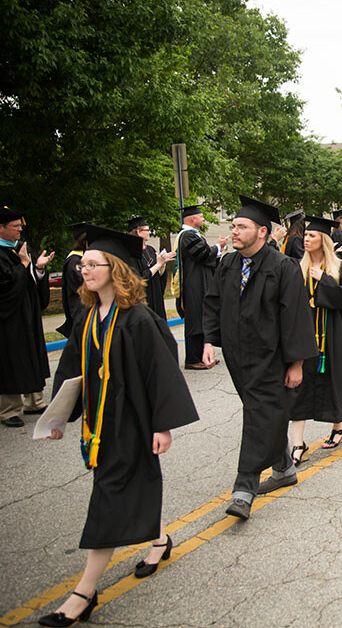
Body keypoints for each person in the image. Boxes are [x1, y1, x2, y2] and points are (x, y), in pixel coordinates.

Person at [39, 225, 198, 627]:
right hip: (99, 425)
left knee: (108, 501)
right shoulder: (90, 317)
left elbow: (162, 371)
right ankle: (159, 540)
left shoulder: (139, 319)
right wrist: (59, 417)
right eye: (84, 265)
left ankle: (83, 593)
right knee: (131, 485)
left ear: (115, 269)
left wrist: (163, 425)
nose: (84, 271)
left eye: (94, 264)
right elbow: (72, 372)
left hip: (133, 423)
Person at [202, 196, 315, 521]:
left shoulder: (282, 268)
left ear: (262, 232)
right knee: (263, 416)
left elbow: (295, 317)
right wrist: (210, 342)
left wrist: (296, 364)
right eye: (233, 226)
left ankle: (244, 488)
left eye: (241, 226)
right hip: (239, 359)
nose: (234, 231)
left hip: (273, 359)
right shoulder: (228, 264)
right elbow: (212, 303)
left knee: (257, 418)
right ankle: (283, 468)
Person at [290, 217, 342, 463]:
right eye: (305, 236)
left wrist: (324, 280)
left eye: (312, 236)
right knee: (299, 385)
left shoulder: (341, 268)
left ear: (323, 240)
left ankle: (338, 427)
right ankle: (298, 443)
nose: (306, 239)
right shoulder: (297, 267)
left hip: (332, 334)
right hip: (303, 335)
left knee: (333, 378)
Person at [0, 207, 53, 428]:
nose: (20, 229)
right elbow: (6, 288)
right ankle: (8, 410)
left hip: (27, 314)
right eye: (15, 226)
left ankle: (34, 401)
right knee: (11, 360)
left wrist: (38, 269)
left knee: (31, 353)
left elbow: (29, 281)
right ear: (1, 228)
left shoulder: (21, 249)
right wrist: (23, 265)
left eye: (20, 225)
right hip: (8, 319)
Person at [176, 204, 226, 370]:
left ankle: (202, 356)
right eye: (201, 216)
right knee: (195, 320)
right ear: (192, 219)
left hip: (199, 282)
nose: (203, 218)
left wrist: (218, 249)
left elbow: (205, 257)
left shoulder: (193, 235)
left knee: (201, 318)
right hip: (193, 285)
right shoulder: (188, 236)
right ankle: (192, 358)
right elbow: (203, 254)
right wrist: (218, 246)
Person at [127, 216, 174, 320]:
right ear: (138, 232)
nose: (149, 232)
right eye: (147, 230)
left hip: (156, 296)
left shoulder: (150, 250)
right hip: (143, 299)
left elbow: (159, 275)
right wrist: (157, 265)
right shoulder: (130, 253)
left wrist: (163, 264)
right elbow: (139, 278)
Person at [57, 222, 89, 338]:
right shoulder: (74, 261)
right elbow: (82, 285)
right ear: (84, 241)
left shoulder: (82, 258)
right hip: (80, 312)